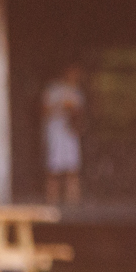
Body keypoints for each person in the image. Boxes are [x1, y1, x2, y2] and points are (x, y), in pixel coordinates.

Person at [42, 64, 85, 204]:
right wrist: (60, 105)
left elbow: (80, 114)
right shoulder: (53, 90)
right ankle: (51, 202)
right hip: (55, 133)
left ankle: (73, 203)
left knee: (72, 169)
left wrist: (73, 112)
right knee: (53, 169)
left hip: (70, 134)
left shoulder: (77, 92)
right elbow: (43, 111)